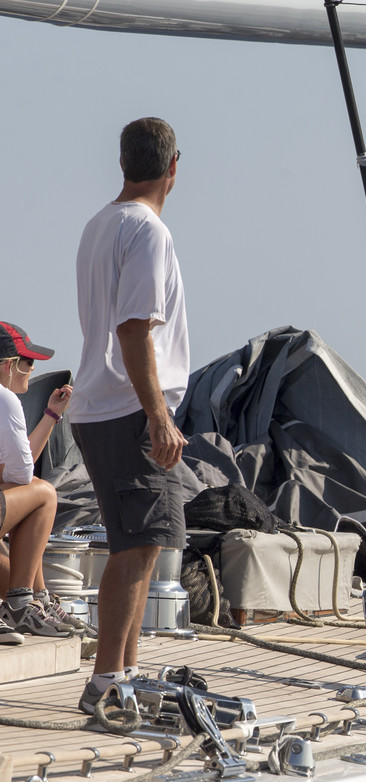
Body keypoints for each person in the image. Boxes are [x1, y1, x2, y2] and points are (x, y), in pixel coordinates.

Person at [73, 117, 191, 714]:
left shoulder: (100, 224)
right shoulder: (148, 231)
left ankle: (126, 676)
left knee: (141, 543)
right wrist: (159, 415)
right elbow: (134, 327)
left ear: (125, 164)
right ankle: (106, 683)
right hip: (127, 408)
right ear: (174, 167)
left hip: (99, 407)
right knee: (137, 545)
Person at [0, 324, 80, 642]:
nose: (32, 370)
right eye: (28, 362)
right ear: (8, 365)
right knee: (44, 493)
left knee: (10, 573)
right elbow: (22, 477)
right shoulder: (5, 399)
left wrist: (50, 414)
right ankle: (24, 604)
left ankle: (36, 598)